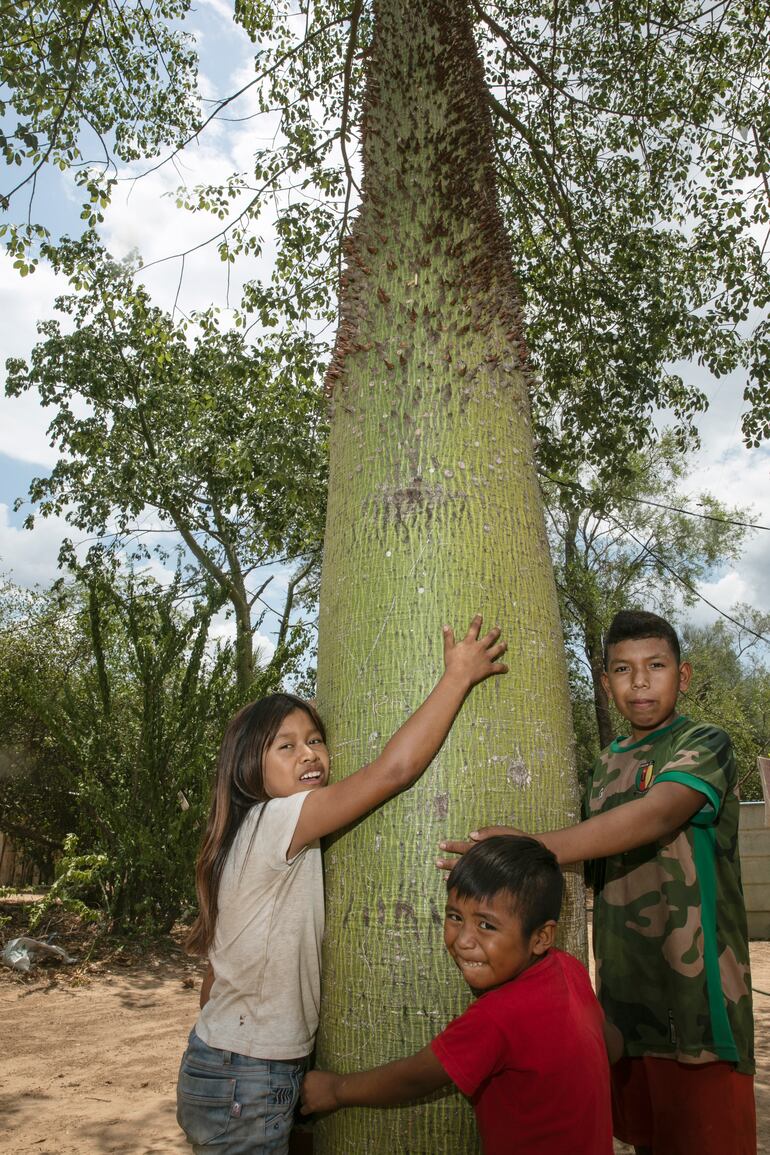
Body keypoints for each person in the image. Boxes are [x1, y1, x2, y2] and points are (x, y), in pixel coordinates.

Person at [176, 613, 507, 1155]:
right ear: (245, 767)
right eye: (286, 746)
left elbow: (215, 975)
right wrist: (457, 678)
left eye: (315, 740)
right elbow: (392, 772)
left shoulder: (238, 837)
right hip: (248, 1076)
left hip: (221, 1060)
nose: (309, 753)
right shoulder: (279, 818)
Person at [437, 609, 756, 1155]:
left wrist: (532, 847)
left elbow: (656, 815)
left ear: (684, 676)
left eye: (655, 666)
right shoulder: (604, 765)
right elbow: (595, 852)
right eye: (622, 669)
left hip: (701, 1011)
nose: (639, 681)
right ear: (604, 683)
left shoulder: (705, 741)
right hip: (621, 1013)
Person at [300, 835, 615, 1155]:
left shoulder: (498, 1017)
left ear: (541, 937)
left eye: (487, 926)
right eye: (454, 917)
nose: (464, 940)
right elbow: (611, 1043)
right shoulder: (569, 969)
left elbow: (417, 1078)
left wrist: (336, 1090)